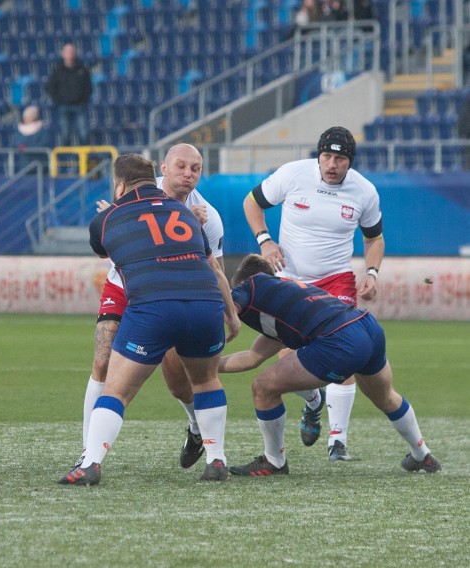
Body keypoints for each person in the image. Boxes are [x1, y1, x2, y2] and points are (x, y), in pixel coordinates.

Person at [59, 153, 240, 486]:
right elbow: (214, 268)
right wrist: (232, 315)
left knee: (116, 390)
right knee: (205, 382)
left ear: (120, 184)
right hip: (204, 303)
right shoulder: (189, 216)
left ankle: (90, 462)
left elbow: (103, 247)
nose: (188, 174)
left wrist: (112, 215)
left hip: (153, 303)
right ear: (161, 173)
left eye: (195, 168)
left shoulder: (110, 216)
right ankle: (217, 459)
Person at [220, 254, 441, 476]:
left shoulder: (249, 285)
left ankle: (274, 461)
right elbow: (251, 357)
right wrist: (205, 369)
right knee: (386, 397)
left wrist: (192, 350)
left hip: (340, 339)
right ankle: (423, 455)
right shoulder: (284, 299)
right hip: (366, 325)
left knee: (263, 387)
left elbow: (223, 311)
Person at [243, 126, 384, 463]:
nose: (332, 164)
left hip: (336, 282)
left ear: (350, 161)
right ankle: (313, 403)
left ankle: (338, 441)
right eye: (326, 156)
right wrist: (265, 240)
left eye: (340, 158)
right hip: (291, 281)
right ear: (318, 155)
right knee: (287, 363)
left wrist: (373, 272)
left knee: (344, 355)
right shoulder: (292, 174)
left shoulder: (365, 191)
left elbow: (374, 238)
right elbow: (252, 202)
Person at [45, 43, 92, 146]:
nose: (70, 54)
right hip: (63, 106)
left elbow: (88, 87)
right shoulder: (57, 70)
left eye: (71, 51)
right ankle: (64, 159)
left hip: (80, 105)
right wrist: (58, 100)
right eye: (67, 52)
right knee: (65, 134)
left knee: (84, 133)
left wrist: (84, 99)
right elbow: (51, 87)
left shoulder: (82, 69)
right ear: (63, 54)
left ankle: (85, 158)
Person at [14, 105, 52, 173]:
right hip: (25, 163)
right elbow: (16, 143)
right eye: (25, 117)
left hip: (40, 162)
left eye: (28, 117)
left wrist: (27, 149)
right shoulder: (19, 130)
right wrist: (20, 147)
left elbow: (44, 143)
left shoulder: (42, 130)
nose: (26, 118)